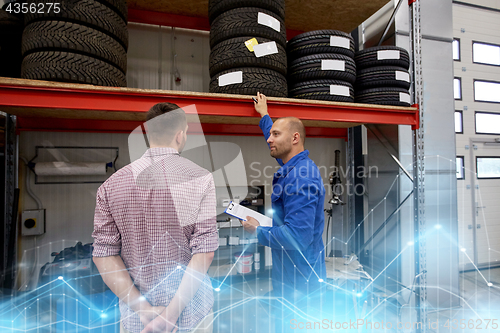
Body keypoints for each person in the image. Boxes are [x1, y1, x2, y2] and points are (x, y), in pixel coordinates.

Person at [92, 102, 218, 333]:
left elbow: (104, 255)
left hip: (139, 320)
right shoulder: (202, 179)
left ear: (147, 134)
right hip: (191, 315)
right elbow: (205, 253)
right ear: (180, 135)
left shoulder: (110, 186)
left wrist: (142, 310)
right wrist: (169, 316)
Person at [242, 92, 327, 331]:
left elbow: (297, 237)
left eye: (275, 135)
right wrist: (265, 116)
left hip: (300, 276)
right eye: (270, 134)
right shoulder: (293, 165)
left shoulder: (301, 178)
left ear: (295, 138)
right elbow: (278, 144)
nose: (270, 139)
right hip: (290, 269)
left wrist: (257, 231)